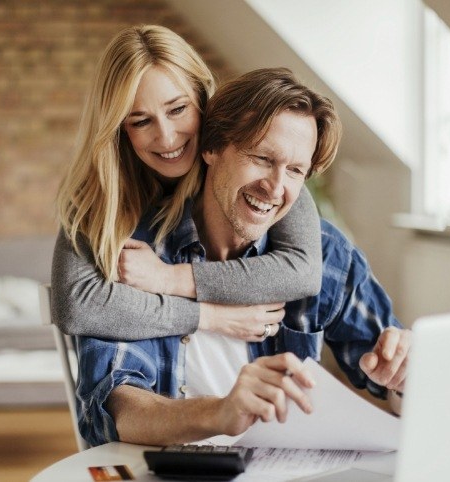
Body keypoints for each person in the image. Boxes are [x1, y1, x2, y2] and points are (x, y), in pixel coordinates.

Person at [76, 68, 410, 447]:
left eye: (295, 170)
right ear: (211, 148)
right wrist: (219, 412)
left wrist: (404, 378)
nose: (276, 188)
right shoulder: (137, 255)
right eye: (262, 158)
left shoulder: (325, 252)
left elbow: (393, 382)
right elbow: (118, 408)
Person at [52, 25, 325, 343]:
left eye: (178, 109)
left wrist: (168, 279)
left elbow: (302, 272)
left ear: (201, 97)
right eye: (141, 121)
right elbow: (77, 305)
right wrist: (210, 316)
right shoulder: (100, 192)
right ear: (119, 128)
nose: (167, 138)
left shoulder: (249, 164)